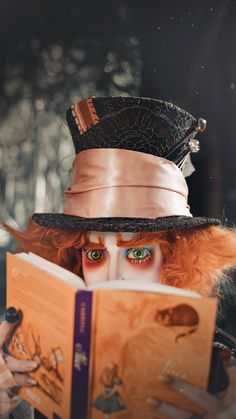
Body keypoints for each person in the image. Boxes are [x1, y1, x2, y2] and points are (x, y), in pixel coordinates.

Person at [1, 96, 236, 418]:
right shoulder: (30, 362)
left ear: (175, 261)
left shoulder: (225, 372)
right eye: (95, 253)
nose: (111, 275)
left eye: (137, 252)